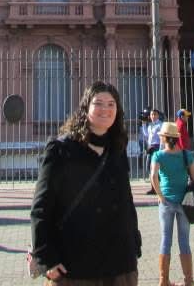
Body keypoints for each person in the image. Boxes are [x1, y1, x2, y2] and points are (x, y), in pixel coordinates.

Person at [30, 81, 141, 285]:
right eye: (98, 103)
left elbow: (126, 199)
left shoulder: (118, 148)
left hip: (120, 264)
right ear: (86, 107)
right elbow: (41, 208)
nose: (105, 109)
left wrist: (134, 242)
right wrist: (46, 257)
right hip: (75, 265)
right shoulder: (61, 149)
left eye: (111, 104)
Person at [151, 121, 194, 286]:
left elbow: (153, 176)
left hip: (166, 201)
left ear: (164, 138)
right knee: (184, 240)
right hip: (184, 202)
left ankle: (163, 280)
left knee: (166, 240)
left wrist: (159, 194)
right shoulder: (187, 154)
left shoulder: (158, 155)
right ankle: (188, 281)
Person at [142, 108, 163, 194]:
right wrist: (143, 125)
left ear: (158, 115)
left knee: (156, 168)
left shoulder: (160, 125)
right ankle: (153, 187)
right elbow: (147, 135)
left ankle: (157, 188)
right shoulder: (150, 125)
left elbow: (162, 138)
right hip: (150, 148)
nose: (153, 116)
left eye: (155, 114)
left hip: (157, 147)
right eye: (151, 114)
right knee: (149, 167)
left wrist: (161, 149)